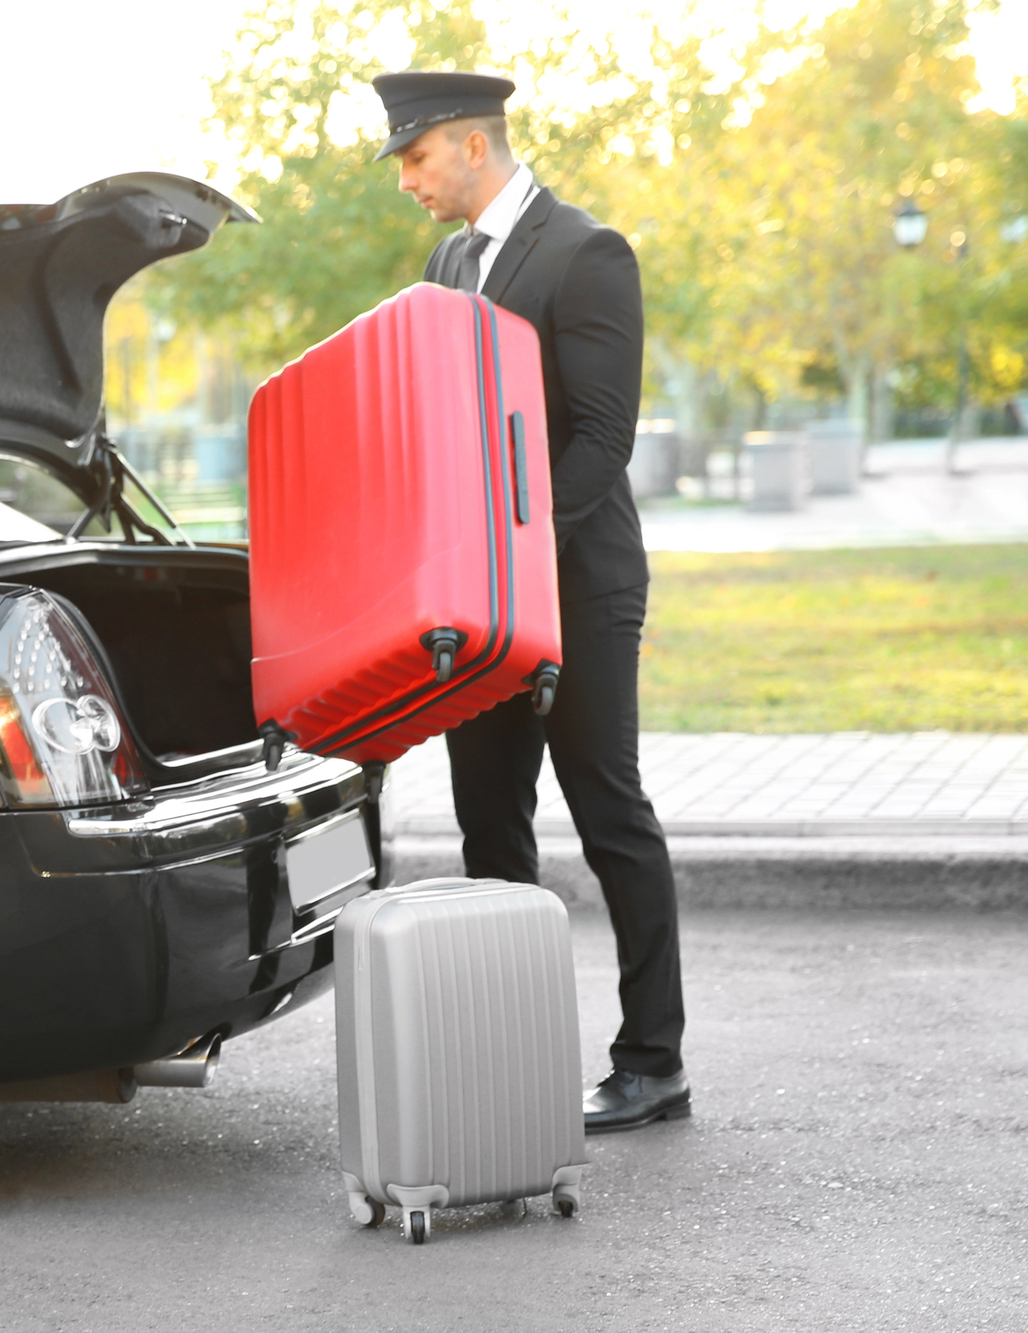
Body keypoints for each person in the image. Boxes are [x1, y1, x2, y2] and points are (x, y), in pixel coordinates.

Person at [370, 69, 690, 1133]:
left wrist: (510, 553)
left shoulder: (584, 252)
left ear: (469, 144)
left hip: (575, 583)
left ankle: (652, 1063)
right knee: (488, 829)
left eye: (414, 158)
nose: (406, 180)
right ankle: (511, 1060)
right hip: (480, 597)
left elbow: (600, 440)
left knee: (608, 818)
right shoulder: (448, 261)